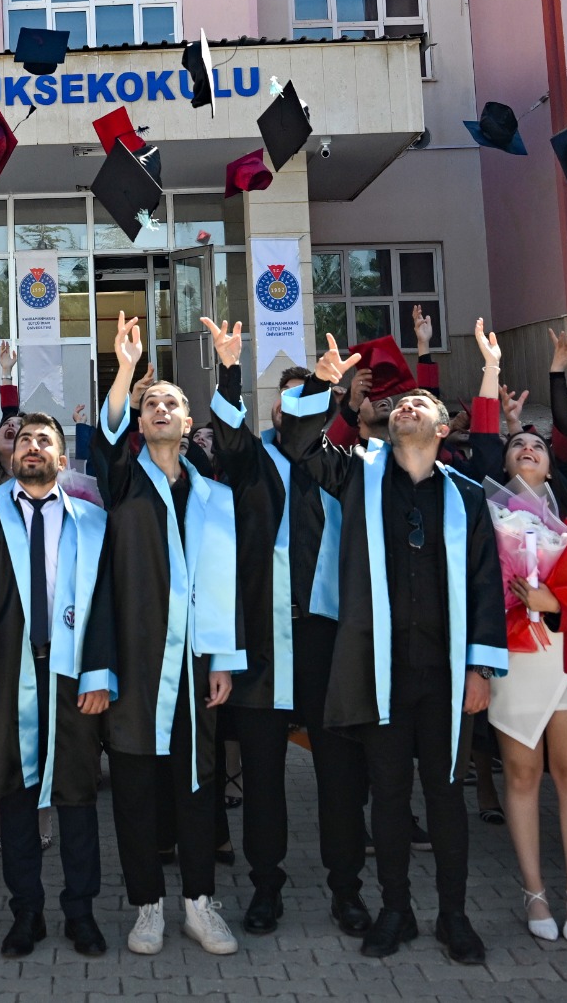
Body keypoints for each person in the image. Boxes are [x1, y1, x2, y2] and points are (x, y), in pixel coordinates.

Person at [279, 324, 505, 964]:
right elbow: (301, 445)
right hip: (378, 670)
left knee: (444, 795)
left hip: (444, 670)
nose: (406, 407)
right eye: (399, 403)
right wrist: (326, 387)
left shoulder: (465, 497)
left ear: (441, 428)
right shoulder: (359, 475)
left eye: (420, 405)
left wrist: (482, 666)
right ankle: (395, 910)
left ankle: (454, 916)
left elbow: (487, 585)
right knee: (387, 795)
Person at [88, 313, 247, 959]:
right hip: (134, 662)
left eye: (171, 403)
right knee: (133, 788)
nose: (159, 408)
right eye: (150, 402)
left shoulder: (213, 496)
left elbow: (224, 581)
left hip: (193, 664)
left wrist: (223, 659)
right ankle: (146, 905)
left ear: (189, 425)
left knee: (196, 783)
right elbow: (104, 440)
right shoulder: (123, 483)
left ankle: (200, 904)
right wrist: (125, 369)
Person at [0, 409, 116, 957]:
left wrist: (97, 674)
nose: (32, 448)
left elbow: (103, 606)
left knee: (76, 795)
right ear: (11, 453)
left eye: (44, 441)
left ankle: (81, 911)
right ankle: (27, 912)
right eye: (24, 440)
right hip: (6, 671)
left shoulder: (91, 522)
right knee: (16, 795)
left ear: (62, 460)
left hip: (70, 674)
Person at [207, 351, 344, 940]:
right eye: (289, 398)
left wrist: (321, 385)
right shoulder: (250, 460)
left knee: (338, 772)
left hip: (326, 638)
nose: (297, 410)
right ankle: (266, 886)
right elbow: (231, 433)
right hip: (263, 635)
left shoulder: (340, 465)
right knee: (263, 773)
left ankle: (348, 889)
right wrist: (229, 373)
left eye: (307, 399)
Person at [485, 418, 567, 945]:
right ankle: (534, 891)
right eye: (517, 445)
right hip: (512, 656)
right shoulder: (483, 514)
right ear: (504, 460)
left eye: (538, 446)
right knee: (522, 775)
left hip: (562, 654)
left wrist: (558, 604)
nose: (528, 450)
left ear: (552, 463)